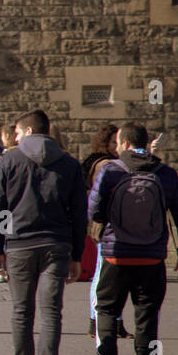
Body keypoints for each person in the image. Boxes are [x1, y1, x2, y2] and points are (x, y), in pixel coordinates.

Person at [87, 123, 178, 355]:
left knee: (107, 310)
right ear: (146, 143)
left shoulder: (111, 171)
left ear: (123, 143)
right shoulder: (166, 173)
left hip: (116, 255)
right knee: (147, 318)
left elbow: (94, 209)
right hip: (151, 258)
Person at [0, 110, 87, 355]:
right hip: (57, 244)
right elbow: (79, 213)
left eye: (17, 132)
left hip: (19, 244)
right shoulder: (69, 164)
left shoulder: (9, 160)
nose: (15, 137)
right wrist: (77, 254)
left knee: (22, 311)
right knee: (51, 311)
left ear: (29, 131)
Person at [80, 125, 121, 333]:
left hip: (107, 223)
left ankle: (113, 320)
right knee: (101, 272)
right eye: (113, 142)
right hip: (104, 223)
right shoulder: (105, 164)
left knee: (114, 275)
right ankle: (95, 319)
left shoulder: (103, 162)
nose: (116, 147)